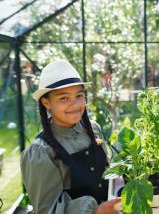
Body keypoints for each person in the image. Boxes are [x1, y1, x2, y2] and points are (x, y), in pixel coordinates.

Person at [20, 59, 120, 214]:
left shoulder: (93, 128)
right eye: (64, 98)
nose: (75, 104)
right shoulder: (41, 152)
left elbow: (103, 172)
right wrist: (96, 211)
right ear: (46, 102)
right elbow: (48, 210)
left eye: (79, 95)